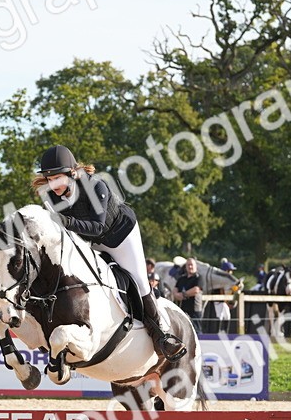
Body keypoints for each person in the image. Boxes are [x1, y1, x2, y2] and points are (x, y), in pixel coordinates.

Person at [34, 145, 185, 360]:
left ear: (72, 173)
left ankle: (161, 335)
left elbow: (97, 226)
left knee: (139, 281)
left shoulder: (95, 186)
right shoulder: (51, 197)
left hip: (120, 236)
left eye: (57, 178)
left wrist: (65, 221)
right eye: (49, 179)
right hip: (91, 241)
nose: (53, 184)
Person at [173, 258, 205, 335]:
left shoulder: (198, 277)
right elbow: (174, 290)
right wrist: (177, 295)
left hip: (195, 310)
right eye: (188, 265)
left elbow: (196, 290)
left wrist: (183, 294)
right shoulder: (181, 278)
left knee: (196, 332)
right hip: (182, 310)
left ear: (195, 266)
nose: (190, 267)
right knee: (183, 332)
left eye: (191, 265)